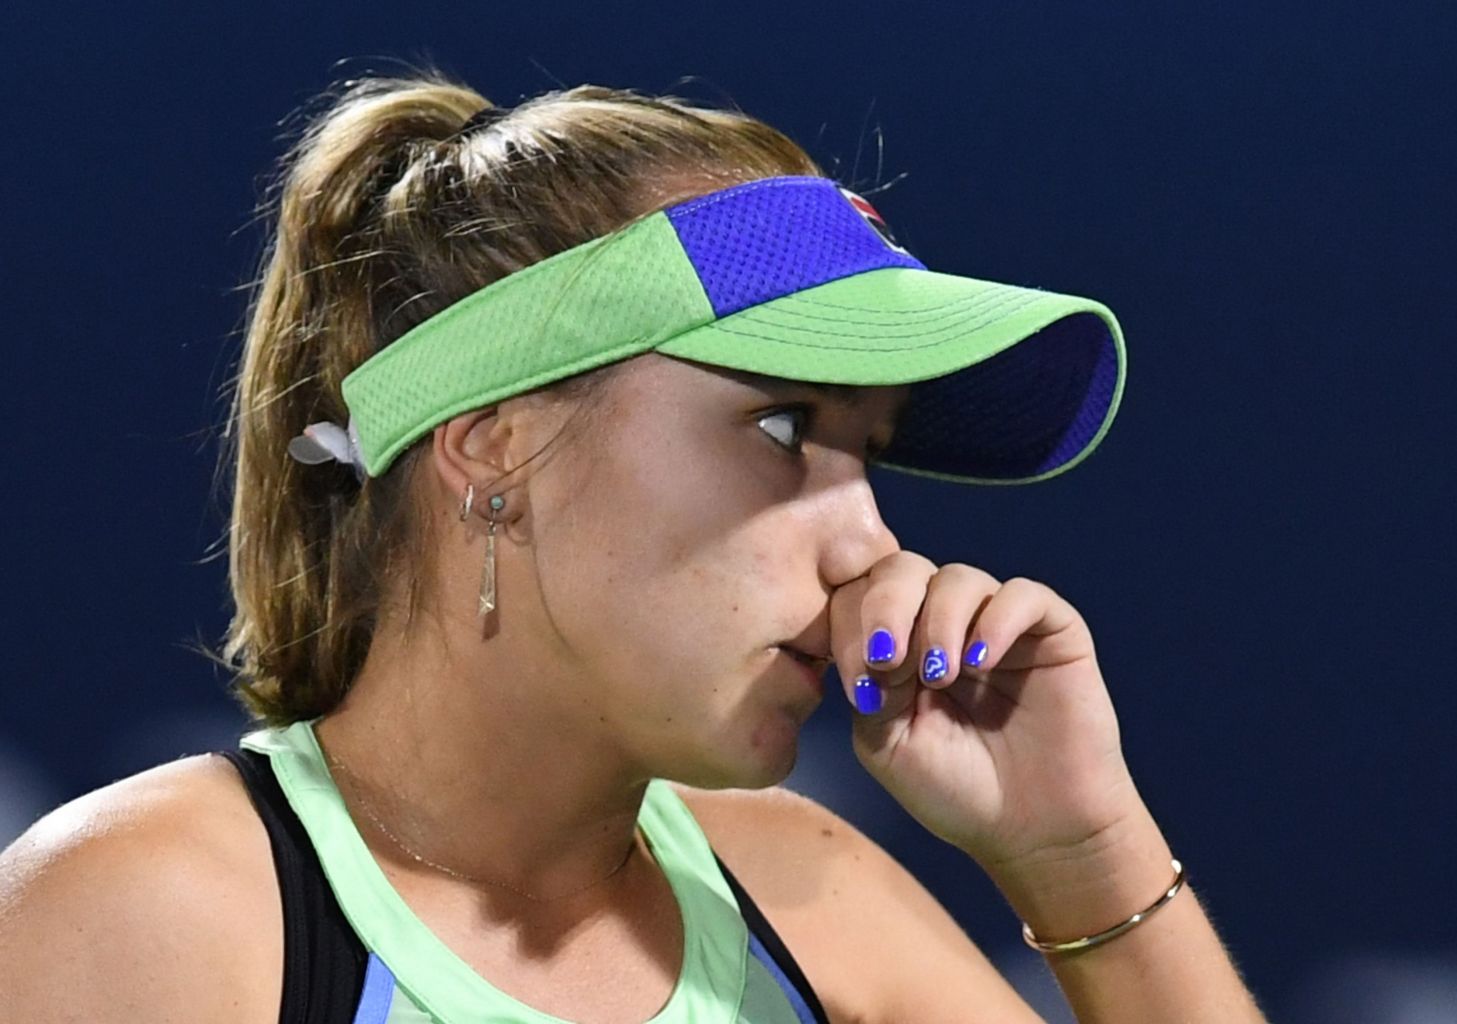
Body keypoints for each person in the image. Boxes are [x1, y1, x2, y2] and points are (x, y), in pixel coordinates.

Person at [0, 69, 1268, 1023]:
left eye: (868, 453)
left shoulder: (817, 899)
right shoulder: (147, 915)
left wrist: (1079, 854)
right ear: (492, 445)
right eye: (782, 425)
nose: (869, 546)